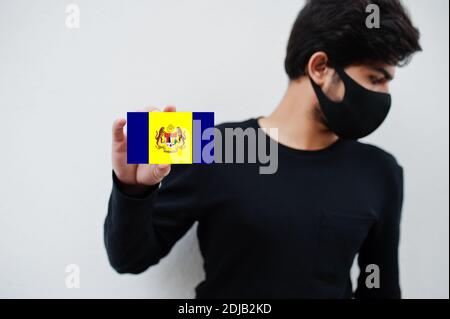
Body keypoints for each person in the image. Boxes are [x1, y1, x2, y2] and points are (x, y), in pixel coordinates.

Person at [104, 0, 421, 298]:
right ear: (320, 67)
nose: (385, 94)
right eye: (375, 79)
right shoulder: (210, 143)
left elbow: (381, 292)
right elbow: (129, 258)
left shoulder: (381, 172)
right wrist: (134, 190)